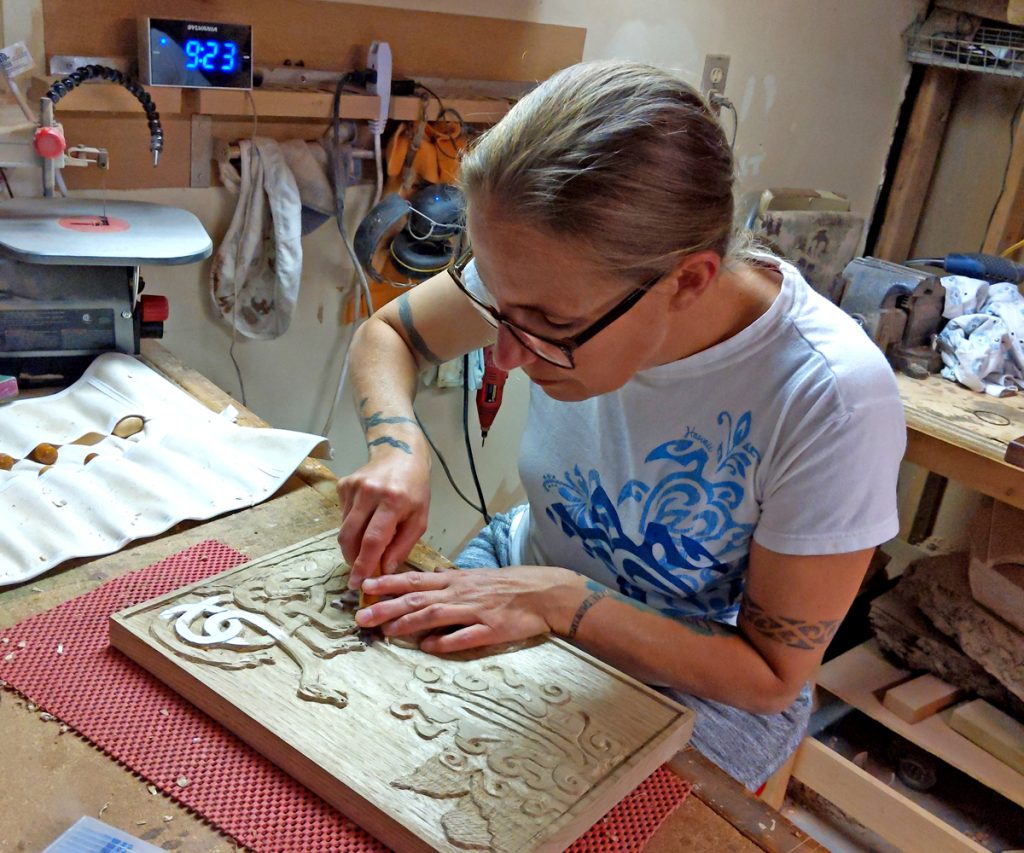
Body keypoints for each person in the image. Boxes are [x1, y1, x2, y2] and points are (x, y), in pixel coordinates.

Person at [336, 60, 905, 789]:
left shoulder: (831, 400)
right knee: (361, 741)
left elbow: (769, 677)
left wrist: (559, 602)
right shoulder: (542, 271)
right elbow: (388, 337)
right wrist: (396, 445)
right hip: (526, 574)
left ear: (689, 280)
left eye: (550, 326)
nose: (506, 355)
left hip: (702, 677)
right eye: (498, 310)